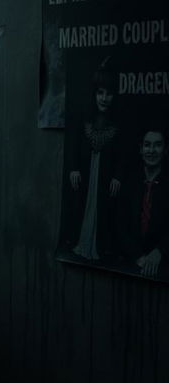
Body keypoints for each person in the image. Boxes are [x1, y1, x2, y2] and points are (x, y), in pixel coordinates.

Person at [63, 68, 122, 261]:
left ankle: (102, 247)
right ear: (94, 93)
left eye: (109, 93)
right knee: (80, 205)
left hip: (105, 176)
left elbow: (124, 152)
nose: (104, 98)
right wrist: (73, 168)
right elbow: (72, 142)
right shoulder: (83, 116)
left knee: (106, 210)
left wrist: (117, 176)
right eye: (100, 93)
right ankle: (80, 243)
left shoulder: (119, 122)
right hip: (85, 173)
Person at [116, 123, 169, 278]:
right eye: (147, 145)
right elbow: (119, 223)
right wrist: (138, 256)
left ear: (166, 150)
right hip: (130, 264)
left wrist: (160, 251)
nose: (151, 151)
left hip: (163, 267)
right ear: (140, 149)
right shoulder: (128, 183)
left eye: (158, 145)